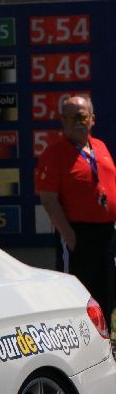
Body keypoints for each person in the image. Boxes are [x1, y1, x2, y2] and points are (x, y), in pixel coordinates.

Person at [35, 95, 116, 321]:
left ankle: (105, 343)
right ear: (62, 121)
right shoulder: (54, 154)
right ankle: (79, 350)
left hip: (107, 234)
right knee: (78, 297)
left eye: (82, 116)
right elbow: (49, 200)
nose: (77, 122)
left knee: (106, 293)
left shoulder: (100, 146)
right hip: (77, 235)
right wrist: (70, 238)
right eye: (70, 117)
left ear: (92, 119)